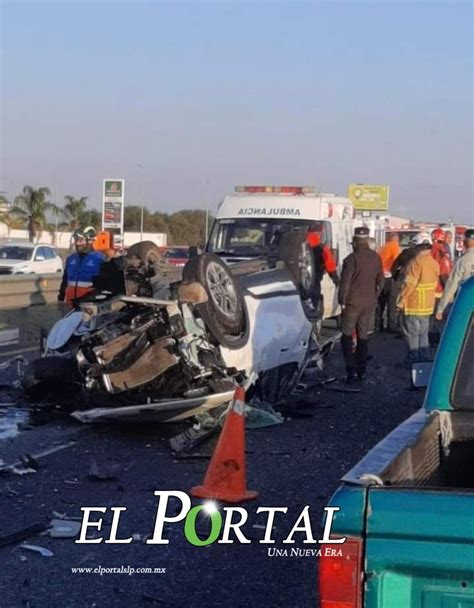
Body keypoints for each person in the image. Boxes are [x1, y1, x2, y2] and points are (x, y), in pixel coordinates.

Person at [338, 227, 384, 383]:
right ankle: (362, 371)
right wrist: (374, 296)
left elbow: (345, 283)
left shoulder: (351, 259)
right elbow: (381, 281)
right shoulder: (376, 258)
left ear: (355, 242)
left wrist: (342, 301)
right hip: (369, 302)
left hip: (352, 302)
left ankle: (350, 371)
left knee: (346, 335)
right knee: (363, 335)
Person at [397, 241, 440, 364]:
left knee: (412, 333)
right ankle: (424, 358)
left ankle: (413, 358)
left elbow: (409, 285)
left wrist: (401, 300)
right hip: (428, 304)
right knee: (423, 333)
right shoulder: (433, 263)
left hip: (414, 303)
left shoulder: (415, 262)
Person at [58, 227, 105, 305]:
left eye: (81, 240)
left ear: (90, 241)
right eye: (76, 240)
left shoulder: (100, 259)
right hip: (70, 305)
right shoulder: (70, 259)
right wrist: (61, 297)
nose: (77, 243)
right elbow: (65, 281)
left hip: (89, 306)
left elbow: (105, 286)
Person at [436, 228, 474, 321]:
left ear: (465, 241)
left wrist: (441, 308)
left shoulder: (463, 261)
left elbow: (452, 285)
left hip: (466, 304)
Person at [307, 225, 339, 317]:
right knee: (315, 303)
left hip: (296, 282)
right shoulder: (321, 248)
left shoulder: (299, 244)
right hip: (315, 280)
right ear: (319, 233)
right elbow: (330, 264)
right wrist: (335, 279)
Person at [429, 228, 453, 345]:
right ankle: (441, 341)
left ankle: (431, 339)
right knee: (441, 318)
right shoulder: (442, 253)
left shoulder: (430, 251)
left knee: (431, 318)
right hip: (439, 291)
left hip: (429, 289)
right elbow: (444, 274)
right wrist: (449, 292)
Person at [376, 233, 401, 332]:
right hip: (389, 277)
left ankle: (378, 324)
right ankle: (391, 326)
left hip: (380, 277)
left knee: (380, 302)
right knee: (391, 302)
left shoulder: (381, 248)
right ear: (396, 240)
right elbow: (396, 262)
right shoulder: (395, 248)